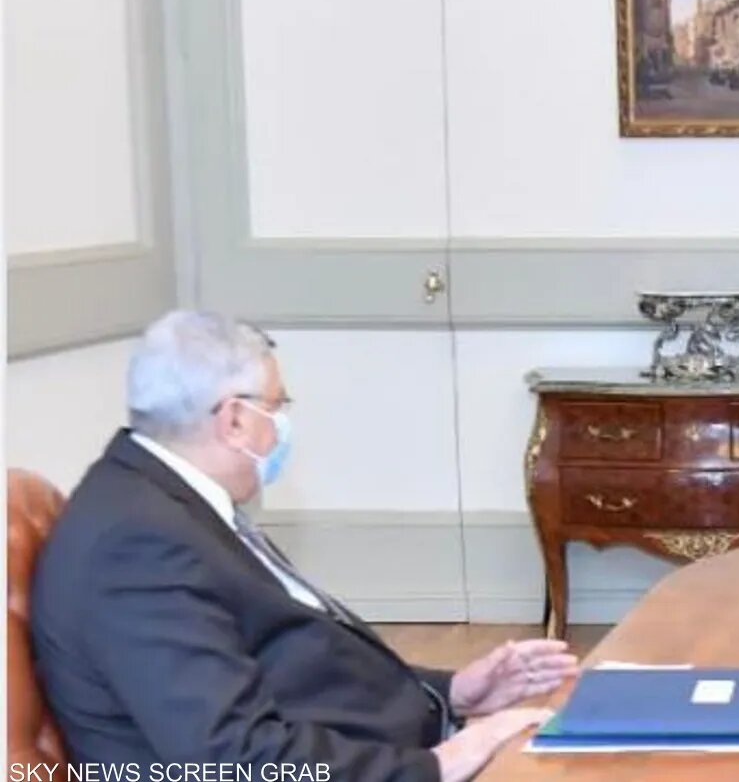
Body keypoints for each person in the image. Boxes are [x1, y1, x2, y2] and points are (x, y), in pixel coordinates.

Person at [30, 311, 580, 782]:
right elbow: (235, 758)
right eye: (278, 406)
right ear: (235, 420)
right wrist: (441, 764)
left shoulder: (167, 502)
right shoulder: (137, 545)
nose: (282, 427)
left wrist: (452, 692)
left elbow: (293, 663)